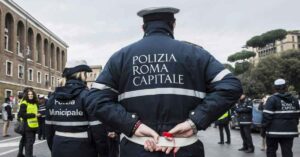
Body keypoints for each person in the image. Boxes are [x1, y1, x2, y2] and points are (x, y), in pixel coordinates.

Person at [86, 7, 242, 156]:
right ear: (173, 25)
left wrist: (132, 125)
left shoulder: (121, 57)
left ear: (143, 28)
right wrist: (194, 121)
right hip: (185, 150)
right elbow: (231, 86)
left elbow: (95, 99)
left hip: (136, 150)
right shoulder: (196, 54)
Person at [45, 60, 107, 157]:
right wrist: (104, 153)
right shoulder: (88, 96)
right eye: (86, 74)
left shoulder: (52, 98)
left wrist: (54, 148)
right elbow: (98, 132)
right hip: (84, 149)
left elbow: (49, 131)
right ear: (82, 74)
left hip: (58, 148)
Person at [262, 79, 300, 157]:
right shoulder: (294, 100)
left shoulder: (272, 99)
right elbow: (297, 116)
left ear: (275, 88)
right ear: (286, 87)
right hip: (289, 132)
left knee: (271, 151)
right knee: (287, 152)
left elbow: (267, 117)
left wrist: (263, 129)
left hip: (273, 132)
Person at [17, 88, 39, 157]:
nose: (30, 95)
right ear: (26, 95)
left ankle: (21, 154)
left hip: (34, 125)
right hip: (26, 125)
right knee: (29, 143)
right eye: (29, 94)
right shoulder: (24, 103)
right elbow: (21, 114)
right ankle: (28, 155)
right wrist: (34, 115)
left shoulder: (35, 103)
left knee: (27, 141)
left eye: (32, 94)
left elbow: (36, 112)